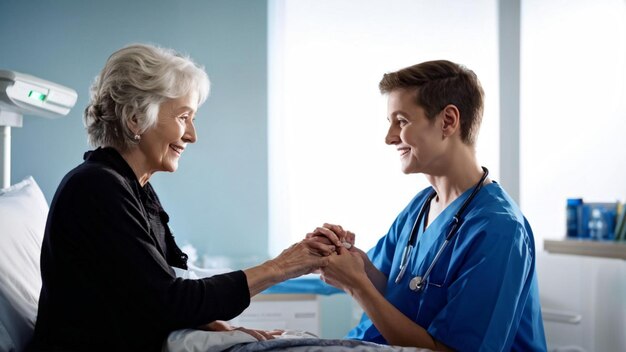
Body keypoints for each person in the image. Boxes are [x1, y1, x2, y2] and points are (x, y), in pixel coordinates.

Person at [30, 44, 332, 351]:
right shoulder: (96, 188)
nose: (192, 135)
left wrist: (215, 324)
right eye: (184, 117)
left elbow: (161, 287)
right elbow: (169, 300)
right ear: (136, 119)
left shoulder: (132, 188)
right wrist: (281, 267)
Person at [309, 60, 547, 351]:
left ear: (448, 121)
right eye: (390, 124)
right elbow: (398, 290)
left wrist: (357, 285)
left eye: (402, 121)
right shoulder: (420, 207)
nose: (389, 138)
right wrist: (357, 263)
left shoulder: (500, 231)